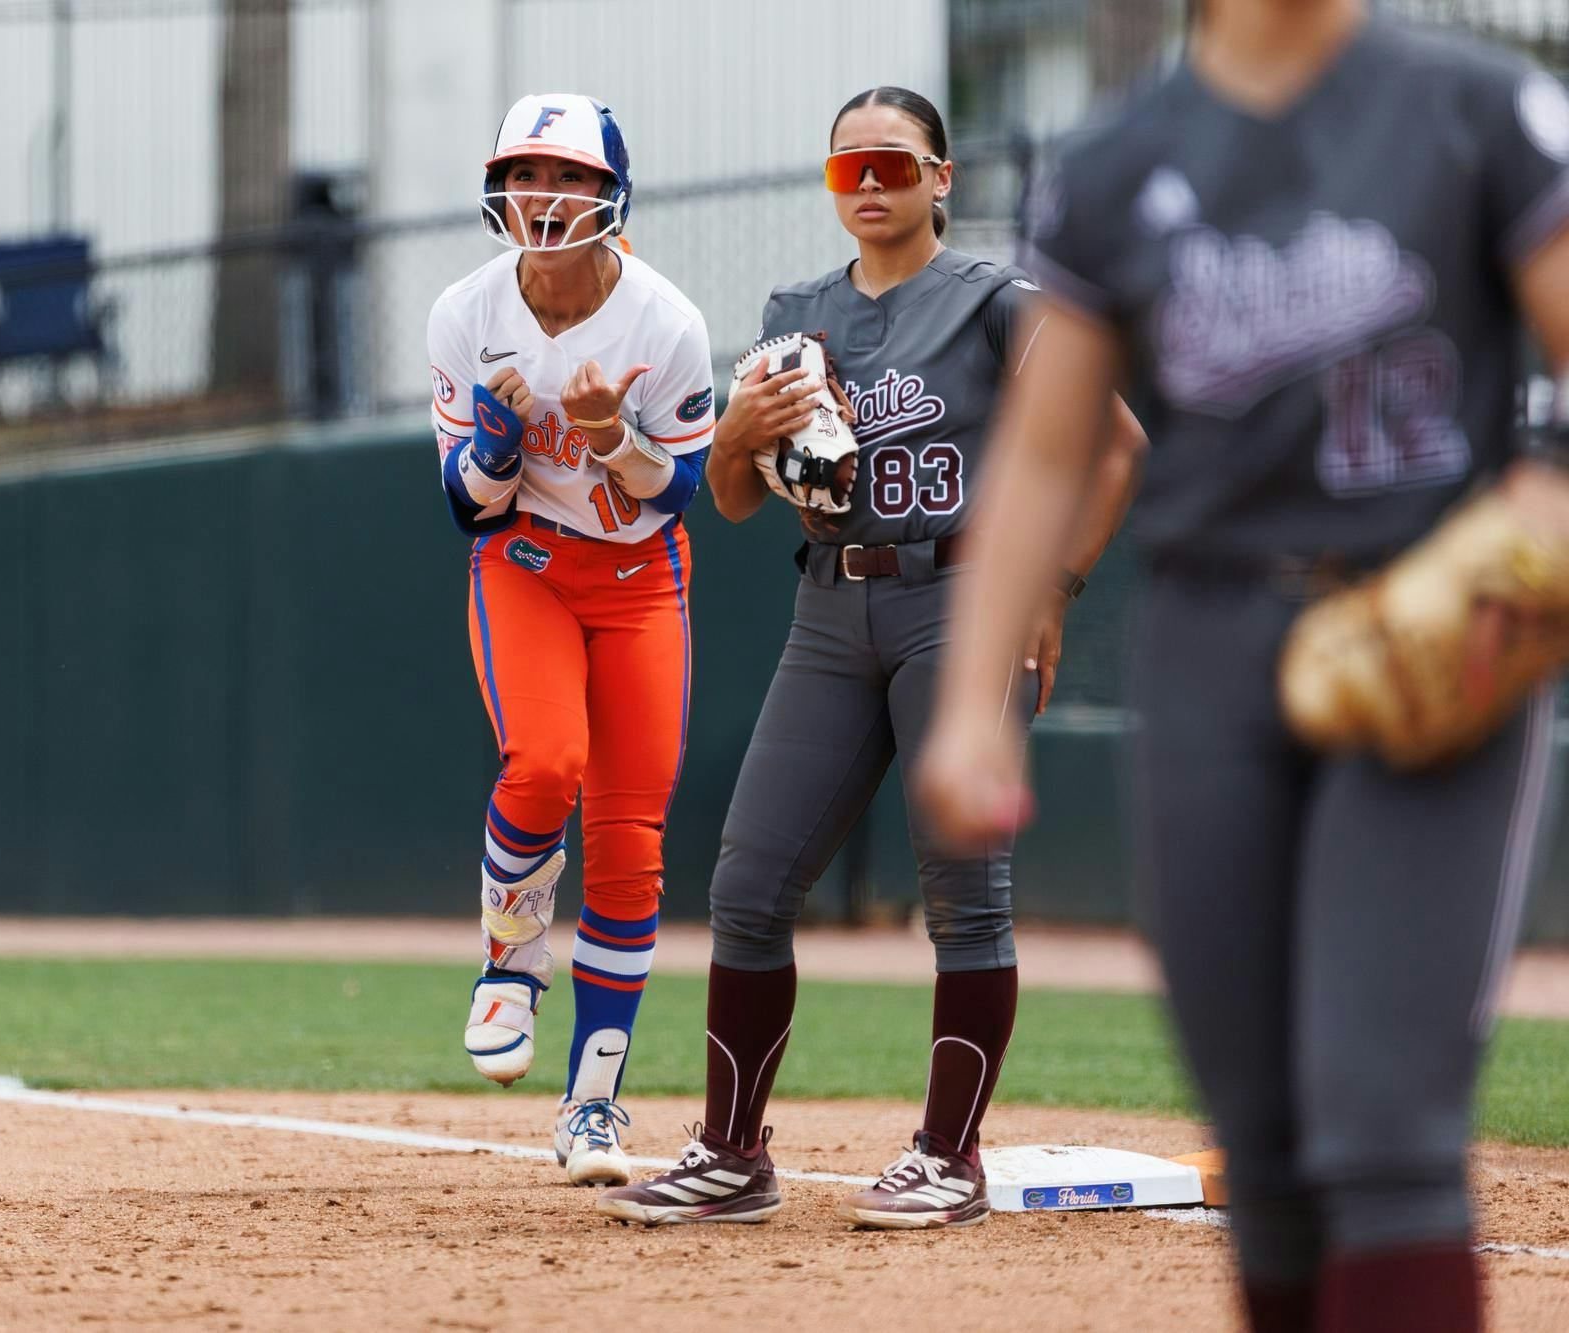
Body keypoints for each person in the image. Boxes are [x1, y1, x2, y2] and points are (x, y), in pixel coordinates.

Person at [914, 2, 1569, 1328]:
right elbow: (1045, 452)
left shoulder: (1475, 107)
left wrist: (1550, 487)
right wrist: (969, 705)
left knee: (1384, 1127)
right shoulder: (1114, 163)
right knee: (1261, 1151)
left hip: (1429, 639)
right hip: (1209, 649)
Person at [599, 87, 1143, 1229]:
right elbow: (739, 503)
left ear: (941, 176)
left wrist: (1052, 587)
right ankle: (732, 1153)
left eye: (895, 162)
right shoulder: (796, 313)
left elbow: (1116, 444)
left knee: (962, 893)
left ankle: (949, 1156)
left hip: (965, 601)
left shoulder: (996, 303)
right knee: (747, 884)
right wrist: (737, 432)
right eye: (850, 167)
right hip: (830, 609)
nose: (872, 183)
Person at [429, 93, 716, 1187]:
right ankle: (509, 960)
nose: (544, 198)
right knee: (546, 758)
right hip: (529, 563)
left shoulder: (662, 321)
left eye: (570, 179)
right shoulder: (464, 310)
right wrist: (499, 443)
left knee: (632, 834)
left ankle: (590, 1102)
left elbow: (669, 499)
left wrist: (612, 437)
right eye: (526, 175)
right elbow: (469, 507)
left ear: (610, 194)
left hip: (637, 574)